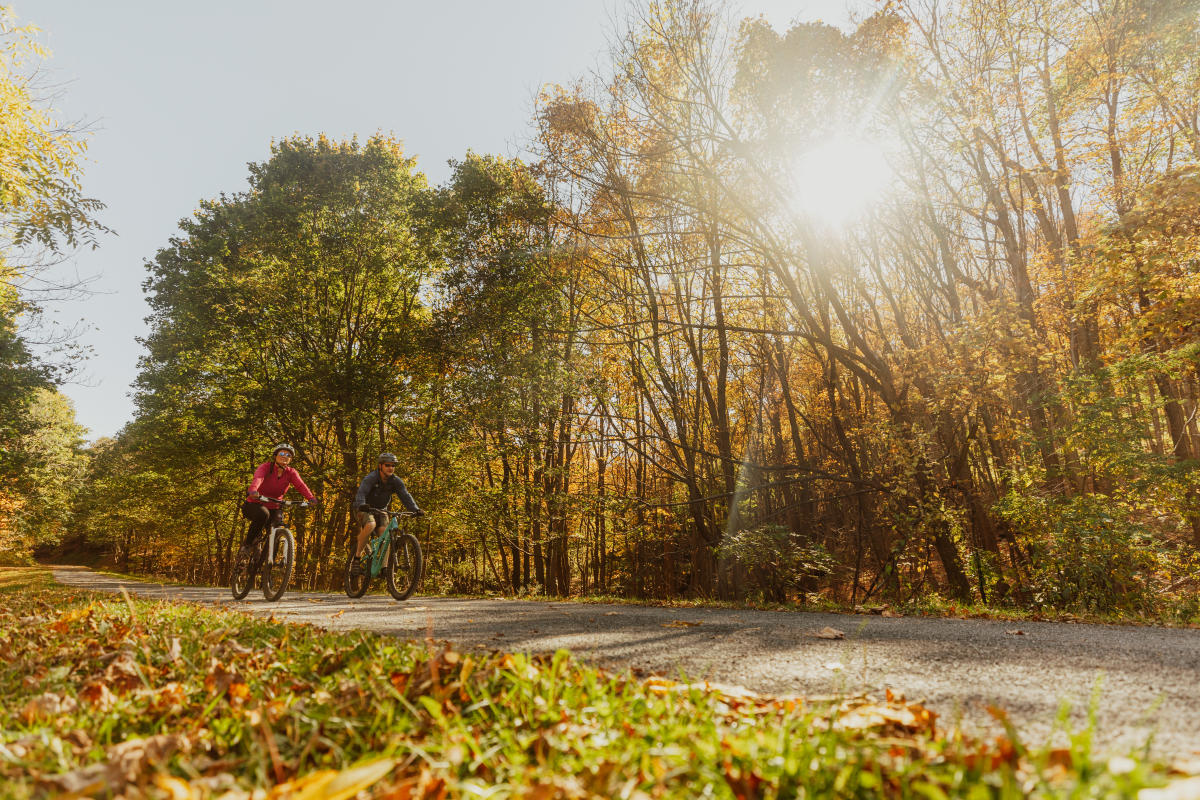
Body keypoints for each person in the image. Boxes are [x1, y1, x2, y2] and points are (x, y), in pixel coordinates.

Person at [351, 452, 423, 574]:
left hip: (381, 510)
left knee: (386, 535)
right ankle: (357, 558)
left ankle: (384, 568)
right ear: (380, 466)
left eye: (393, 465)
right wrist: (362, 504)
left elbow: (405, 495)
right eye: (387, 465)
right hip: (363, 508)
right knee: (371, 524)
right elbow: (361, 493)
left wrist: (415, 509)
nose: (391, 468)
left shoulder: (395, 481)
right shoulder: (371, 478)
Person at [240, 444, 317, 557]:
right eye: (282, 453)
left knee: (277, 526)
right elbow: (258, 478)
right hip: (254, 504)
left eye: (288, 455)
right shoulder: (266, 467)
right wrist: (253, 490)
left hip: (274, 506)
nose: (284, 456)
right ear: (275, 455)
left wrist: (311, 498)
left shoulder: (291, 472)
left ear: (290, 459)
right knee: (263, 514)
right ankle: (247, 545)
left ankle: (268, 563)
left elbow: (301, 485)